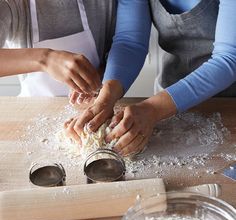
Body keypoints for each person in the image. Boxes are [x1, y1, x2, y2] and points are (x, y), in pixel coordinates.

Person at [66, 0, 236, 156]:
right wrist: (106, 97)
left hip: (229, 104)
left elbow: (229, 58)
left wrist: (152, 108)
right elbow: (130, 42)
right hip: (167, 101)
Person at [0, 0, 117, 96]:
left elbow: (117, 51)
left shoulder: (104, 3)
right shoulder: (10, 3)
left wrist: (97, 80)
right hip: (32, 108)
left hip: (94, 107)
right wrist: (45, 59)